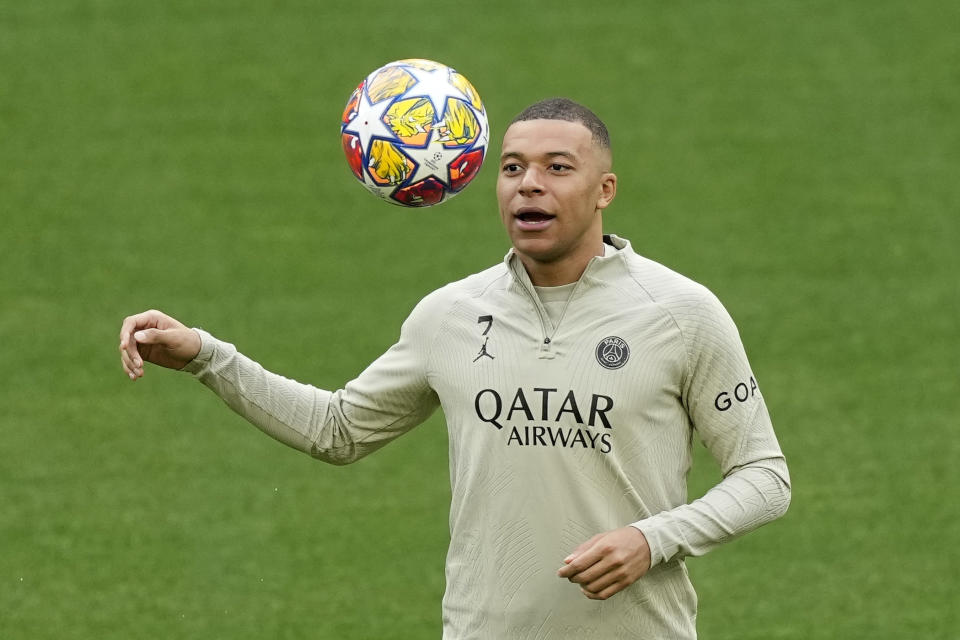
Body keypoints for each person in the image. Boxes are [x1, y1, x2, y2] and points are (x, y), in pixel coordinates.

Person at [119, 98, 790, 639]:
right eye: (512, 168)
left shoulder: (680, 312)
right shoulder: (451, 315)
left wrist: (653, 539)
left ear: (605, 189)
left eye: (558, 168)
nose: (529, 183)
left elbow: (764, 477)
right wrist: (208, 355)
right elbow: (338, 429)